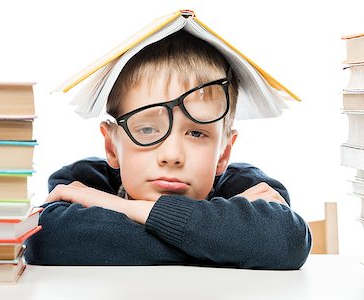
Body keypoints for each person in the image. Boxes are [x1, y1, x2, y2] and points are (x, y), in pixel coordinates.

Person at [24, 31, 311, 269]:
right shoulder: (83, 182)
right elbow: (45, 239)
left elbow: (286, 240)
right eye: (147, 130)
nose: (172, 155)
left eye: (197, 132)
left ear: (224, 153)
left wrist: (124, 207)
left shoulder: (250, 186)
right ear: (112, 146)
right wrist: (227, 238)